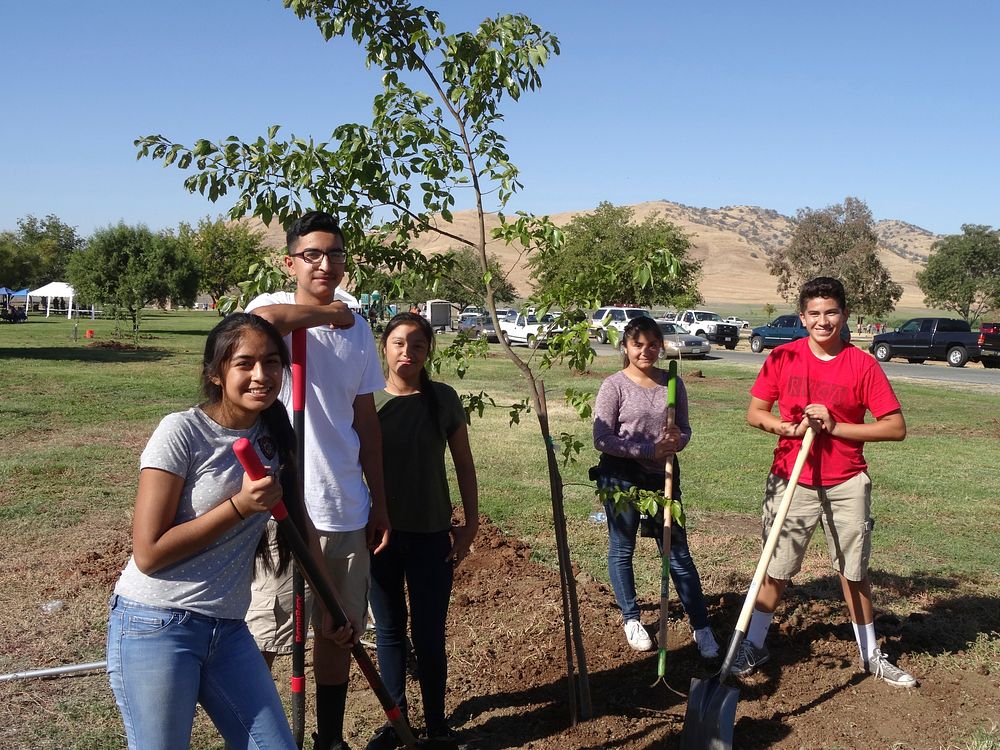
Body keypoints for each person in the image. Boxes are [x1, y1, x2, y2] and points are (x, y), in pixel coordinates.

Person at [106, 313, 352, 749]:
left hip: (228, 629)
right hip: (158, 624)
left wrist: (331, 602)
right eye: (245, 364)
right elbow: (149, 552)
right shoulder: (181, 432)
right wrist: (238, 507)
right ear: (216, 374)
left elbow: (300, 525)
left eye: (273, 362)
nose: (262, 375)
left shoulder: (275, 433)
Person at [245, 210, 391, 750]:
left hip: (344, 504)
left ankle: (329, 739)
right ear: (291, 262)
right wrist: (324, 315)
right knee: (266, 629)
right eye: (312, 255)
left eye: (334, 254)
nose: (324, 263)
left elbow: (366, 418)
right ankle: (259, 739)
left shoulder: (359, 325)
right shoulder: (266, 310)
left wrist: (379, 499)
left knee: (340, 629)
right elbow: (263, 330)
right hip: (282, 507)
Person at [734, 276, 916, 687]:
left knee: (853, 571)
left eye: (831, 312)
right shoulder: (782, 358)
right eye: (814, 313)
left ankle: (871, 656)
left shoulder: (862, 364)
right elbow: (755, 413)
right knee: (775, 566)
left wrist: (835, 427)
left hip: (846, 481)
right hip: (790, 479)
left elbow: (895, 428)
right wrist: (785, 428)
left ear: (845, 315)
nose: (822, 320)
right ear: (802, 317)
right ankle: (754, 645)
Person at [364, 313, 478, 750]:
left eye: (416, 344)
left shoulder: (443, 399)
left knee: (428, 633)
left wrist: (468, 526)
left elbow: (464, 464)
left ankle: (436, 725)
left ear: (428, 350)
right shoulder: (366, 400)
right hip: (379, 535)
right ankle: (397, 721)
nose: (406, 352)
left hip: (432, 535)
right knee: (390, 630)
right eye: (397, 343)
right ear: (385, 348)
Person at [592, 316, 719, 658]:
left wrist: (677, 442)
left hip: (662, 476)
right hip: (620, 476)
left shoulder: (673, 384)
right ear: (625, 347)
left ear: (660, 347)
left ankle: (701, 626)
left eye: (652, 345)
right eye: (638, 344)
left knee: (677, 552)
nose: (645, 351)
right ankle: (631, 618)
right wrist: (647, 449)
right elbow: (601, 438)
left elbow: (685, 430)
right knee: (623, 547)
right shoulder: (614, 386)